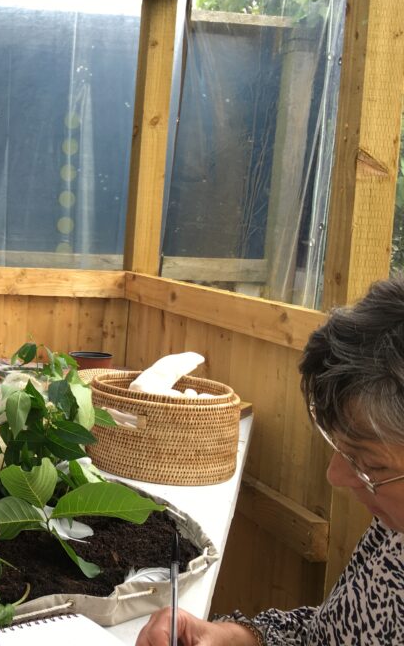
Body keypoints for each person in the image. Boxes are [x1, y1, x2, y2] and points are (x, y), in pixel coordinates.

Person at [137, 277, 404, 646]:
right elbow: (326, 635)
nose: (336, 474)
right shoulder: (393, 532)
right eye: (341, 449)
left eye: (370, 465)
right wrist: (231, 638)